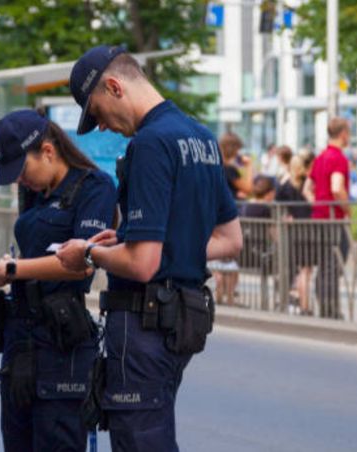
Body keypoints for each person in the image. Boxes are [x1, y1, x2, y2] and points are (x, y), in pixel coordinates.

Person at [56, 45, 242, 451]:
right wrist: (132, 243)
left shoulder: (150, 143)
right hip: (182, 321)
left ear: (114, 87)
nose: (102, 127)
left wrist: (86, 253)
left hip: (143, 326)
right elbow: (231, 240)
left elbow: (142, 264)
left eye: (97, 113)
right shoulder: (201, 137)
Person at [0, 109, 117, 451]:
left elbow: (83, 264)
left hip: (61, 342)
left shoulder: (94, 187)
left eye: (22, 169)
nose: (19, 180)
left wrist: (14, 270)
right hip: (20, 341)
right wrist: (11, 265)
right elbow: (33, 252)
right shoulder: (35, 193)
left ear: (48, 151)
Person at [305, 117, 351, 319]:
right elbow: (337, 187)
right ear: (343, 134)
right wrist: (347, 209)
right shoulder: (338, 158)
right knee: (334, 263)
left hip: (318, 218)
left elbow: (307, 188)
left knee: (324, 264)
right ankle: (330, 308)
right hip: (333, 219)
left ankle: (324, 305)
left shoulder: (320, 157)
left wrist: (318, 204)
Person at [213, 132, 251, 305]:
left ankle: (219, 294)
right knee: (230, 256)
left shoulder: (217, 166)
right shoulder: (230, 169)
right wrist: (249, 167)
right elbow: (249, 187)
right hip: (229, 215)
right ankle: (228, 297)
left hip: (216, 214)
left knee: (219, 259)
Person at [276, 156, 313, 315]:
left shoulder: (285, 186)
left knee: (297, 268)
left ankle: (294, 299)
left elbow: (276, 206)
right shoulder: (307, 183)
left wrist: (285, 217)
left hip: (292, 231)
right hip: (309, 229)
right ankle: (304, 305)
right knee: (305, 270)